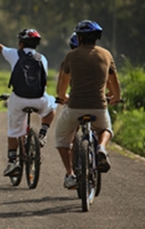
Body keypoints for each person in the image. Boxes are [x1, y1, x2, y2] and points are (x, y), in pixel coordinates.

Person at [0, 29, 56, 177]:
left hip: (19, 98)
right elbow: (44, 82)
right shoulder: (42, 58)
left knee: (14, 131)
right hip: (39, 98)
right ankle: (43, 133)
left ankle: (12, 162)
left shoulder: (14, 54)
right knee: (52, 105)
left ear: (21, 43)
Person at [55, 20, 122, 189]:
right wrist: (115, 97)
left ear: (79, 37)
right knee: (106, 129)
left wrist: (62, 96)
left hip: (75, 107)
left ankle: (70, 175)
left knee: (61, 138)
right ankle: (101, 147)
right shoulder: (106, 55)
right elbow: (114, 82)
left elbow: (63, 83)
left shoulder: (71, 56)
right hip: (98, 107)